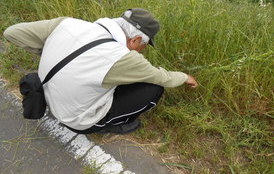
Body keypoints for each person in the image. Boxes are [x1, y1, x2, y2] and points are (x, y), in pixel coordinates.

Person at [3, 8, 197, 134]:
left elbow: (12, 33)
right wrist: (185, 77)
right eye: (143, 46)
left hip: (50, 96)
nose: (140, 50)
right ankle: (112, 124)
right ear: (136, 40)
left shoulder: (68, 23)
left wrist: (49, 51)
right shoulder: (123, 57)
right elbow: (162, 77)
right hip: (76, 119)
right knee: (153, 88)